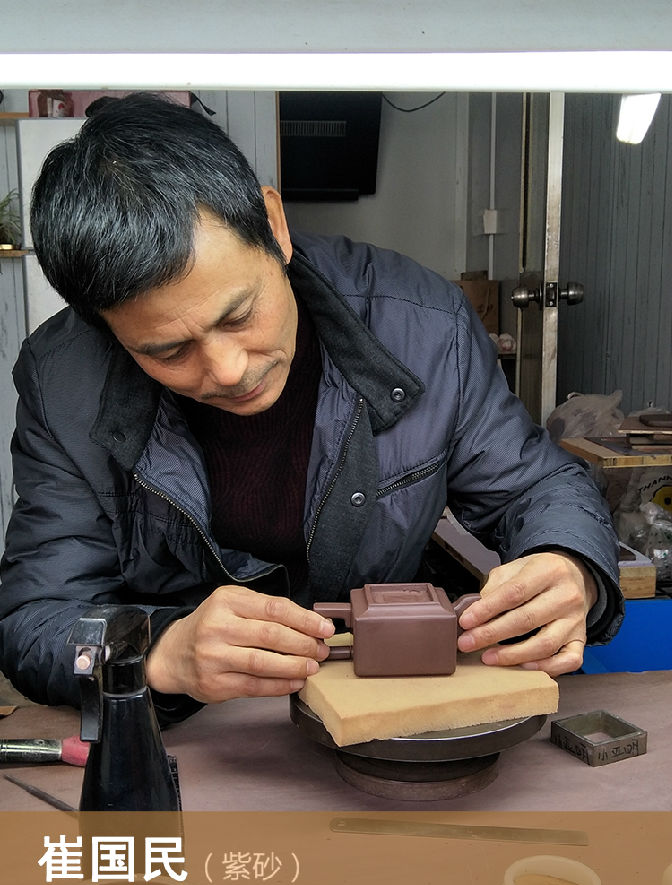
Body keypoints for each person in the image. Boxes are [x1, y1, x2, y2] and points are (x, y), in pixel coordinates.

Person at [0, 93, 623, 724]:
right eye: (168, 351)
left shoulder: (423, 327)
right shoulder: (63, 383)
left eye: (239, 316)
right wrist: (159, 651)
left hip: (387, 700)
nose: (228, 370)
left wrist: (570, 564)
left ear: (273, 226)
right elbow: (35, 619)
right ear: (106, 329)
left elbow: (535, 486)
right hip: (191, 729)